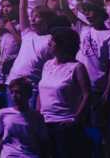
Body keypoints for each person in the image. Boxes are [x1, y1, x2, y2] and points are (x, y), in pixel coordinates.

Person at [38, 26, 91, 158]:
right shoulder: (47, 65)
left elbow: (87, 94)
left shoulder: (76, 67)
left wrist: (75, 119)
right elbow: (41, 90)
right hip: (45, 122)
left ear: (63, 44)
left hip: (64, 125)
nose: (49, 44)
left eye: (53, 41)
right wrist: (37, 114)